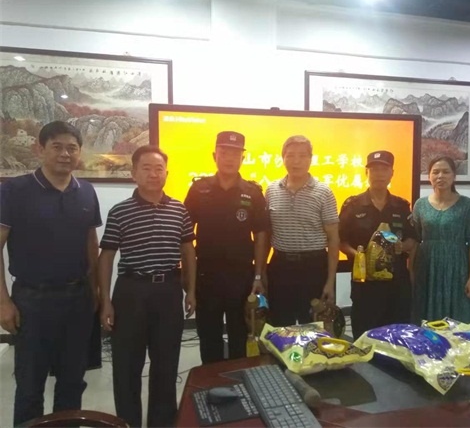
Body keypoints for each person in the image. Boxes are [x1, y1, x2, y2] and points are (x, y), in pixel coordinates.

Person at [0, 121, 101, 426]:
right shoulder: (14, 190)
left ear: (79, 152)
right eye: (57, 147)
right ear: (40, 149)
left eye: (72, 148)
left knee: (73, 381)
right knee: (30, 385)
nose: (65, 154)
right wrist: (3, 302)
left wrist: (96, 290)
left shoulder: (86, 192)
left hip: (78, 299)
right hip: (32, 301)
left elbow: (90, 242)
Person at [98, 145, 196, 427]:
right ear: (134, 173)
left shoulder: (179, 209)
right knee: (127, 365)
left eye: (159, 169)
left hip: (168, 290)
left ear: (167, 173)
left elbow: (188, 252)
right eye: (146, 168)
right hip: (131, 291)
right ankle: (127, 423)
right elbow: (107, 256)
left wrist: (190, 290)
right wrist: (105, 300)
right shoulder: (120, 211)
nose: (153, 174)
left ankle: (162, 423)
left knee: (166, 363)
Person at [184, 131, 269, 364]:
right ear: (215, 156)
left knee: (240, 336)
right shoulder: (198, 189)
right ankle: (210, 382)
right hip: (206, 276)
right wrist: (188, 277)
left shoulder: (253, 192)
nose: (229, 158)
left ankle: (239, 381)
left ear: (243, 158)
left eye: (235, 153)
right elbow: (185, 236)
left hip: (240, 277)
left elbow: (261, 235)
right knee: (208, 336)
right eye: (224, 152)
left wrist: (258, 275)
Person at [339, 150, 418, 339]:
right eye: (374, 170)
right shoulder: (353, 205)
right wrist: (358, 255)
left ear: (392, 173)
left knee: (398, 337)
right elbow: (340, 241)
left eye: (384, 169)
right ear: (366, 173)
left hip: (397, 283)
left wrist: (402, 246)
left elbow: (413, 238)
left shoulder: (401, 206)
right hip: (365, 284)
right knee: (365, 337)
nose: (379, 174)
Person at [265, 135, 340, 326]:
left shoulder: (324, 192)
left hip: (313, 267)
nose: (296, 161)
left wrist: (330, 281)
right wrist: (261, 272)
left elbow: (333, 239)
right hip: (281, 266)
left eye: (302, 156)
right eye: (290, 155)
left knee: (314, 327)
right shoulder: (272, 190)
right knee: (280, 327)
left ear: (310, 159)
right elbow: (266, 234)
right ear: (283, 158)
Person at [412, 156, 470, 323]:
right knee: (425, 316)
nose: (440, 176)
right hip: (427, 267)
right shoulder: (420, 205)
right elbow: (414, 240)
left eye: (445, 172)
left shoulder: (467, 205)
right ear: (429, 176)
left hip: (457, 268)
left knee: (459, 317)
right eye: (435, 172)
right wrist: (411, 273)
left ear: (454, 176)